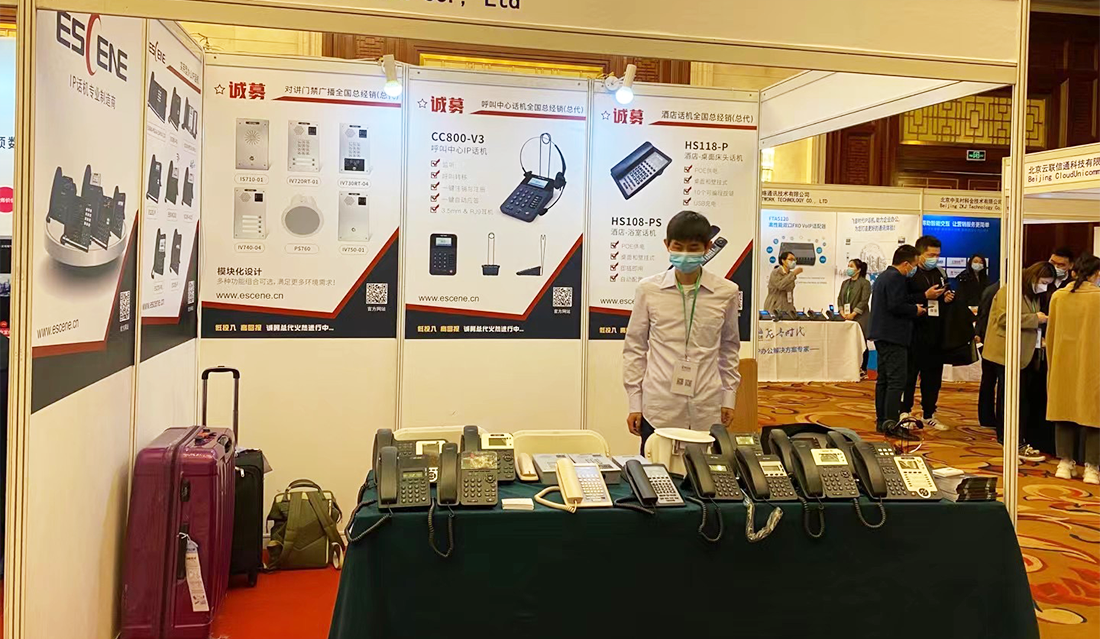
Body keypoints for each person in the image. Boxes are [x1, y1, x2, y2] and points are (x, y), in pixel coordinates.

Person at [623, 210, 741, 453]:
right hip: (659, 408)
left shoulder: (726, 292)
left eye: (693, 248)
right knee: (656, 473)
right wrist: (635, 402)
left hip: (707, 407)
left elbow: (729, 348)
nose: (685, 254)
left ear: (708, 247)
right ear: (667, 245)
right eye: (678, 247)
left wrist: (729, 397)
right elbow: (634, 348)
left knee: (705, 475)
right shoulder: (648, 289)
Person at [984, 261, 1056, 463]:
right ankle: (1009, 440)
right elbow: (1004, 319)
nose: (1044, 287)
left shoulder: (1031, 295)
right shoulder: (1010, 291)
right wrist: (1035, 319)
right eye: (1043, 282)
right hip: (1006, 353)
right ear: (1034, 277)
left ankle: (1017, 439)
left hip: (1026, 354)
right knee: (1009, 398)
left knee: (1022, 398)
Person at [867, 245, 936, 439]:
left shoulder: (884, 276)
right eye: (914, 265)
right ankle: (891, 423)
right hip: (894, 336)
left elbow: (897, 300)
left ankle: (883, 421)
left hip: (883, 335)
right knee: (896, 382)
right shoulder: (896, 278)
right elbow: (896, 305)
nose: (914, 270)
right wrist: (915, 310)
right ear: (906, 264)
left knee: (884, 380)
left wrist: (917, 299)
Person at [1047, 254, 1100, 484]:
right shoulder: (1098, 298)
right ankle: (1092, 467)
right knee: (1094, 414)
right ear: (1096, 274)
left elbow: (1051, 333)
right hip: (1093, 363)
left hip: (1063, 361)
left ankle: (1065, 462)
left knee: (1063, 410)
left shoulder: (1058, 296)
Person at [901, 235, 952, 430]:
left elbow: (945, 293)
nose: (935, 259)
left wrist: (946, 297)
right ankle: (904, 411)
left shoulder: (940, 272)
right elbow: (902, 299)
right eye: (931, 255)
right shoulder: (910, 273)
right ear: (920, 254)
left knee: (933, 376)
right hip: (914, 330)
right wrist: (925, 295)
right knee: (910, 375)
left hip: (935, 331)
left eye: (937, 255)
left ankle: (929, 413)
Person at [837, 258, 872, 375]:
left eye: (851, 266)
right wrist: (842, 312)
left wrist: (854, 313)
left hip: (860, 316)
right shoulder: (845, 283)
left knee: (861, 342)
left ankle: (863, 368)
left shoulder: (865, 283)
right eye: (848, 266)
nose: (849, 268)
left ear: (858, 269)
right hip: (846, 315)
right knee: (847, 341)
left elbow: (864, 300)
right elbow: (839, 299)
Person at [975, 281, 1002, 430]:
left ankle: (987, 417)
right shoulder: (997, 291)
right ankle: (989, 417)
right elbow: (983, 315)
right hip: (991, 340)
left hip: (987, 338)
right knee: (991, 380)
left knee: (988, 380)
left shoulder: (991, 289)